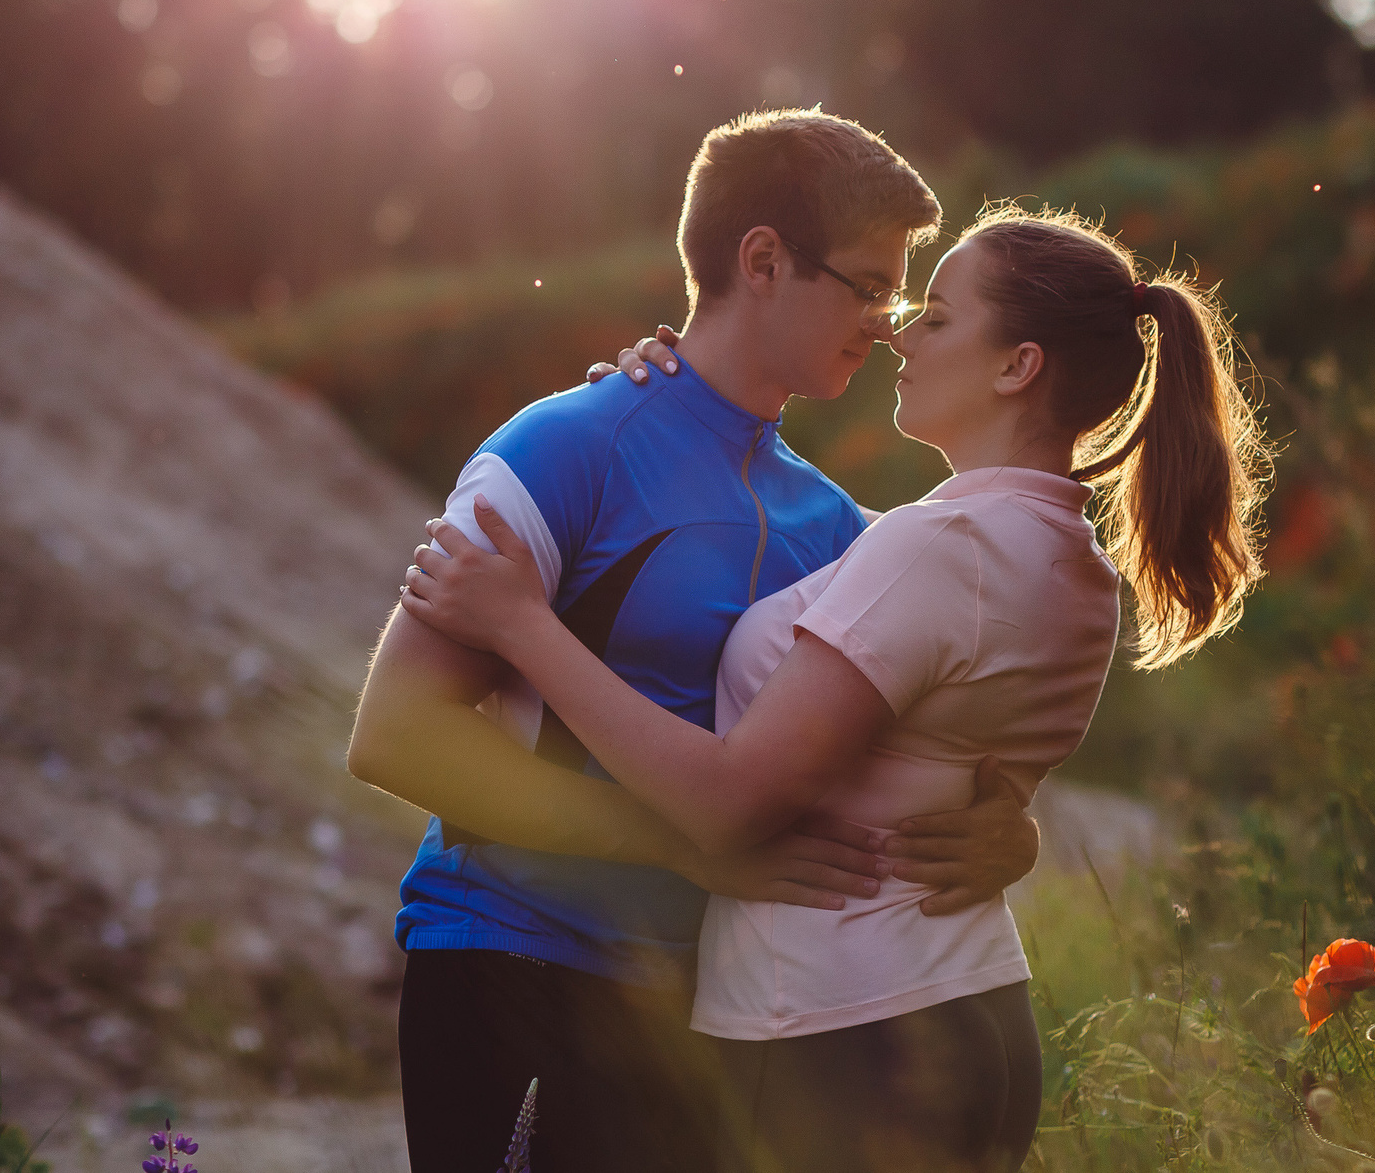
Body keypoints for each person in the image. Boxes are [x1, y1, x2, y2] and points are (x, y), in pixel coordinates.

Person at [403, 204, 1269, 1173]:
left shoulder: (931, 549)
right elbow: (950, 746)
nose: (898, 330)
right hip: (968, 1015)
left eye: (934, 316)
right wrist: (662, 412)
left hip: (841, 1031)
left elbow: (731, 803)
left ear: (1017, 366)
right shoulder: (1064, 560)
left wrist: (522, 623)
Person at [346, 111, 1045, 1173]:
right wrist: (678, 844)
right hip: (514, 962)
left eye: (895, 296)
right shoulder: (564, 446)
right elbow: (397, 735)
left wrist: (1009, 835)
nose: (887, 323)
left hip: (715, 1005)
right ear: (761, 259)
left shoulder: (842, 529)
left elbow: (905, 772)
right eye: (865, 285)